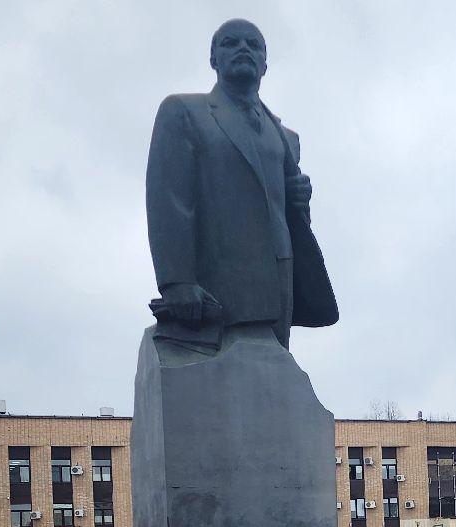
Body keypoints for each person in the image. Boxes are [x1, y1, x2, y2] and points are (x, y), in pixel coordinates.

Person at [144, 18, 337, 351]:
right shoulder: (184, 112)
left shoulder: (287, 138)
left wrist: (299, 201)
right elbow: (170, 200)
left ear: (265, 64)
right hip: (219, 284)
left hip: (281, 274)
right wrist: (177, 281)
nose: (244, 48)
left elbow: (285, 213)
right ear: (214, 59)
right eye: (231, 43)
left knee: (274, 378)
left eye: (254, 44)